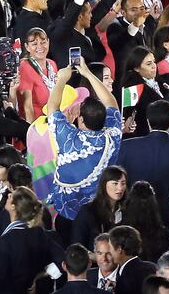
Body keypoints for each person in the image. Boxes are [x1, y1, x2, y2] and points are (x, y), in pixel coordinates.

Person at [45, 61, 121, 236]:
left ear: (81, 119)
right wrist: (88, 73)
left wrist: (61, 80)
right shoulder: (112, 136)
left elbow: (52, 108)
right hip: (99, 214)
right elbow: (111, 102)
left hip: (67, 214)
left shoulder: (68, 137)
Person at [71, 166, 127, 251]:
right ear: (104, 185)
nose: (120, 188)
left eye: (123, 183)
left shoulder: (127, 210)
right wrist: (98, 257)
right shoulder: (88, 211)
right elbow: (77, 247)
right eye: (115, 183)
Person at [110, 225, 158, 294]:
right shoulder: (152, 267)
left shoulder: (125, 279)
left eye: (110, 247)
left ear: (119, 249)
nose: (109, 251)